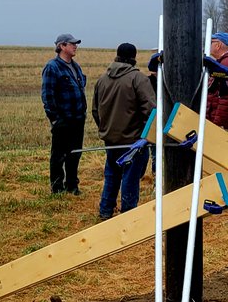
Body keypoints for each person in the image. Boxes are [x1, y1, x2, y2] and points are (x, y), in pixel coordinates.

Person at [92, 42, 156, 218]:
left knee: (111, 176)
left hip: (111, 140)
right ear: (134, 58)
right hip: (134, 142)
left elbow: (95, 111)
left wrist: (107, 131)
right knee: (130, 179)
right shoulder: (138, 79)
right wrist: (146, 136)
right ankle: (128, 217)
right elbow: (151, 111)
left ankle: (105, 211)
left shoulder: (102, 80)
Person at [41, 33, 87, 194]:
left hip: (78, 119)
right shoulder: (52, 67)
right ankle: (57, 187)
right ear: (62, 46)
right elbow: (47, 95)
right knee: (59, 155)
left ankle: (72, 186)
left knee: (75, 154)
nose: (75, 46)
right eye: (72, 44)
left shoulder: (76, 67)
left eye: (76, 44)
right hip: (63, 120)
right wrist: (55, 119)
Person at [206, 31, 228, 130]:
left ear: (218, 45)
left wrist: (217, 123)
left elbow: (225, 96)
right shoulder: (223, 63)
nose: (209, 46)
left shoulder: (227, 64)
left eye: (211, 42)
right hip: (218, 121)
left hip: (221, 124)